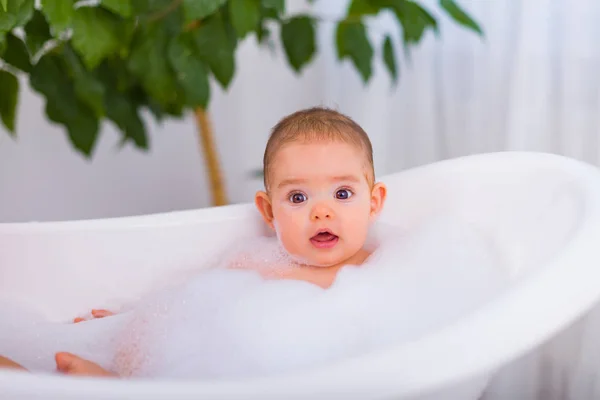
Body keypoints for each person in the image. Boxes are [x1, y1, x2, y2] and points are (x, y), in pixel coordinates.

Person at [0, 106, 387, 376]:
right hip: (174, 355)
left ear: (373, 203)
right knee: (37, 361)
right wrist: (131, 316)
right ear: (269, 213)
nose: (321, 212)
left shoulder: (378, 270)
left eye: (341, 194)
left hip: (221, 377)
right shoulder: (255, 263)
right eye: (298, 198)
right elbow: (190, 297)